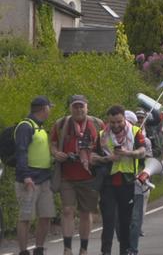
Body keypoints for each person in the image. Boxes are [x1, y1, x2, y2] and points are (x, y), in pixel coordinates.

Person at [50, 95, 104, 255]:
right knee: (67, 210)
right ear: (70, 108)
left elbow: (107, 145)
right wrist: (56, 153)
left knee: (86, 213)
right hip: (67, 175)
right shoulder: (61, 124)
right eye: (75, 106)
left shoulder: (98, 124)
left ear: (87, 107)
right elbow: (52, 144)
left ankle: (84, 249)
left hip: (89, 176)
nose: (79, 110)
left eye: (82, 106)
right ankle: (67, 249)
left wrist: (98, 157)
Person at [92, 105, 146, 255]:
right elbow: (92, 157)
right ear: (108, 121)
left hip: (127, 183)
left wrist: (128, 153)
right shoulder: (102, 134)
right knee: (108, 222)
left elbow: (142, 152)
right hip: (108, 184)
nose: (116, 125)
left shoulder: (135, 131)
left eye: (119, 122)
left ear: (124, 118)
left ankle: (125, 251)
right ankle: (106, 252)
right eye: (112, 122)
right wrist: (108, 158)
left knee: (125, 222)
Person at [14, 96, 55, 255]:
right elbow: (21, 152)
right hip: (29, 179)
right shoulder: (26, 126)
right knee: (25, 217)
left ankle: (39, 249)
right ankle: (23, 251)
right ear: (44, 108)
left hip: (44, 179)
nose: (50, 110)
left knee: (46, 215)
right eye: (49, 107)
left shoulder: (40, 127)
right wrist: (25, 176)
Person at [125, 110, 152, 255]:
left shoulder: (145, 140)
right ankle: (125, 247)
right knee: (122, 221)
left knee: (136, 219)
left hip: (139, 184)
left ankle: (133, 249)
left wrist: (144, 173)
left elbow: (149, 162)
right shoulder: (114, 138)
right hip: (122, 184)